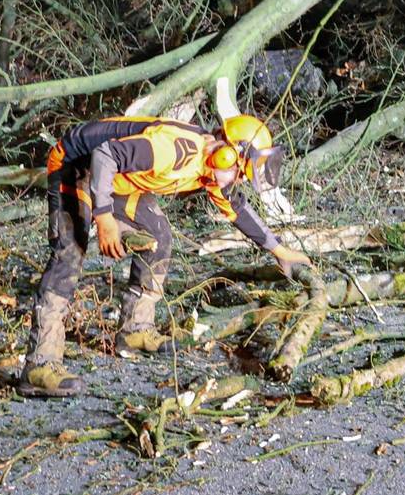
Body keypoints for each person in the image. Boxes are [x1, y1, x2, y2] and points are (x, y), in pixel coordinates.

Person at [19, 113, 311, 396]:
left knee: (159, 236)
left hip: (121, 178)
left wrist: (279, 250)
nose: (238, 180)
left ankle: (135, 330)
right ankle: (39, 365)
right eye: (239, 172)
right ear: (227, 154)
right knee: (70, 252)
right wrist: (105, 219)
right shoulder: (172, 150)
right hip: (78, 163)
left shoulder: (214, 173)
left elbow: (238, 210)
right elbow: (105, 155)